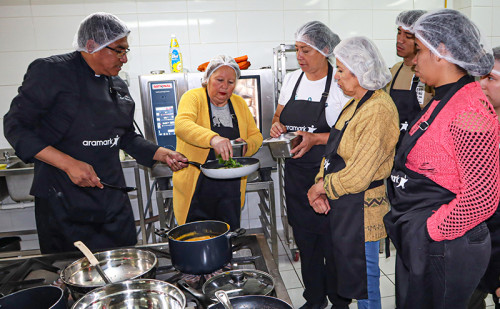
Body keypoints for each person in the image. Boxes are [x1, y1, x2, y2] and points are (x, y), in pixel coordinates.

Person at [3, 12, 188, 254]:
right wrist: (69, 164)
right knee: (75, 275)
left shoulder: (117, 85)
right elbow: (15, 126)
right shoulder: (52, 72)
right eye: (119, 50)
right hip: (64, 201)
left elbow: (125, 136)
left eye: (126, 52)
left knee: (124, 266)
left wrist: (160, 153)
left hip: (111, 199)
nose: (124, 59)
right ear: (92, 45)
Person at [383, 9, 500, 309]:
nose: (413, 59)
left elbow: (483, 197)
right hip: (426, 241)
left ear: (442, 52)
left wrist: (431, 231)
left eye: (419, 50)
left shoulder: (470, 111)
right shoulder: (442, 98)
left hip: (447, 244)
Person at [307, 36, 399, 309]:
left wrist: (320, 188)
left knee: (365, 284)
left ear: (361, 72)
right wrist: (319, 184)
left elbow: (359, 174)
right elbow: (333, 155)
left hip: (364, 209)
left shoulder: (379, 109)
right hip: (345, 205)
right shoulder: (355, 104)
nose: (336, 77)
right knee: (352, 278)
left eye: (341, 70)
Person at [270, 21, 350, 309]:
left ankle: (339, 301)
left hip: (329, 176)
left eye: (306, 50)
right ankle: (314, 300)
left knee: (333, 244)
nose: (299, 57)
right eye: (298, 50)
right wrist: (277, 127)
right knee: (306, 243)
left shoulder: (340, 82)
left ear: (325, 50)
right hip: (296, 175)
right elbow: (278, 116)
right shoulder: (293, 80)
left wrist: (315, 138)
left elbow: (350, 134)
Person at [172, 55, 262, 231]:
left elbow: (256, 135)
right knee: (196, 239)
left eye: (230, 82)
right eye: (219, 80)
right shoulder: (193, 97)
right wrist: (213, 139)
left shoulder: (239, 103)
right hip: (197, 186)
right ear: (207, 79)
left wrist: (246, 146)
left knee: (227, 237)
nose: (224, 86)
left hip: (231, 188)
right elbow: (182, 125)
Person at [468, 46, 500, 309]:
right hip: (474, 243)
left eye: (491, 78)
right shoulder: (476, 123)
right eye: (480, 77)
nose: (481, 84)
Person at [386, 9, 433, 147]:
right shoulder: (394, 70)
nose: (400, 40)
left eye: (408, 35)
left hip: (420, 149)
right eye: (398, 32)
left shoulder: (430, 75)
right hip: (394, 149)